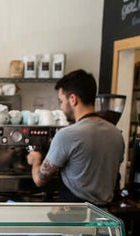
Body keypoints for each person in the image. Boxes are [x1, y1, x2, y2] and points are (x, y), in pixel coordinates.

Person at [27, 69, 125, 206]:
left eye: (61, 101)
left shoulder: (67, 135)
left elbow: (39, 179)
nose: (61, 107)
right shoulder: (116, 134)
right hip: (105, 215)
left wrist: (36, 159)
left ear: (73, 99)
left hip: (76, 217)